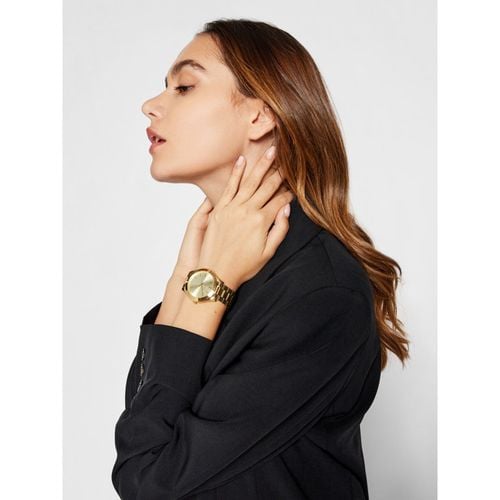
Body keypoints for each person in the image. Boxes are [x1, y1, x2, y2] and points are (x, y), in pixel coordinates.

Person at [111, 18, 410, 500]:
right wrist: (191, 279)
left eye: (184, 87)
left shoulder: (319, 292)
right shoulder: (224, 263)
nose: (151, 104)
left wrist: (201, 286)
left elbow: (149, 480)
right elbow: (150, 433)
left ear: (260, 116)